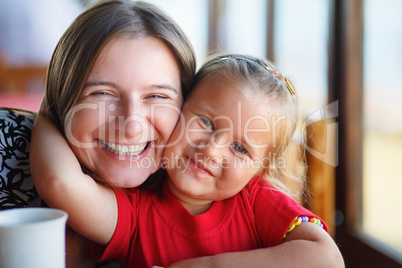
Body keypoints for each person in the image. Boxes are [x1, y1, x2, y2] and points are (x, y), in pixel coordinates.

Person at [32, 53, 345, 268]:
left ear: (259, 170)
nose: (211, 150)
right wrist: (51, 108)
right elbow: (60, 183)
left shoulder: (257, 203)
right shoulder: (136, 213)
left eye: (239, 147)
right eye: (206, 122)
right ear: (178, 109)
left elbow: (327, 260)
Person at [30, 0, 196, 267]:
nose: (132, 126)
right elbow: (58, 181)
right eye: (102, 93)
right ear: (63, 96)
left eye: (156, 96)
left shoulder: (217, 184)